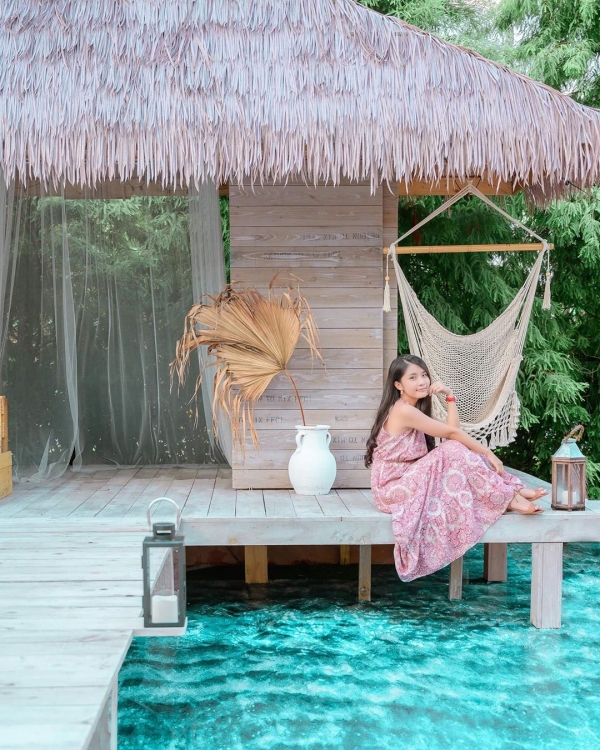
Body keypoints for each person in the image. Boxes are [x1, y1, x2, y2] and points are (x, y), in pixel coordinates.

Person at [365, 354, 546, 582]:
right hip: (392, 489)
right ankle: (509, 496)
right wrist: (487, 452)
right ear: (398, 385)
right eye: (413, 377)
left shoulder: (411, 407)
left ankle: (511, 493)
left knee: (457, 450)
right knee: (453, 449)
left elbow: (453, 433)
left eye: (424, 375)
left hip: (408, 478)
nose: (422, 382)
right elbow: (453, 435)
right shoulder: (403, 410)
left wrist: (450, 397)